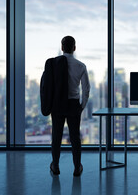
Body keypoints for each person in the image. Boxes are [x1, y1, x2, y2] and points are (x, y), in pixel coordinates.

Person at [50, 36, 90, 177]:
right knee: (75, 138)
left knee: (56, 136)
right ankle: (77, 168)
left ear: (62, 47)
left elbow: (47, 86)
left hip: (57, 104)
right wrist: (82, 106)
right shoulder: (81, 66)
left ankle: (55, 166)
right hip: (73, 105)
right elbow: (86, 89)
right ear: (74, 48)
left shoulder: (53, 63)